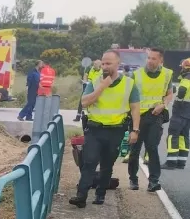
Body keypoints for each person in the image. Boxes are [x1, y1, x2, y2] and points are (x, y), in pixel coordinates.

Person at [70, 50, 141, 208]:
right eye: (103, 63)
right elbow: (85, 102)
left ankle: (100, 194)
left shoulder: (129, 84)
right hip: (95, 129)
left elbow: (135, 108)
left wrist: (135, 130)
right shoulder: (95, 81)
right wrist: (102, 87)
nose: (105, 66)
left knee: (107, 164)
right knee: (89, 162)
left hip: (116, 130)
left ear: (118, 64)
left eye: (108, 63)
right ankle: (81, 196)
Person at [128, 48, 173, 190]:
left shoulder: (167, 74)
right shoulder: (136, 74)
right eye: (149, 58)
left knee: (152, 148)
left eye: (154, 59)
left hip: (155, 115)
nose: (150, 61)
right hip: (138, 116)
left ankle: (153, 181)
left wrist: (163, 104)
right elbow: (129, 95)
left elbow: (169, 93)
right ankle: (133, 179)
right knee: (134, 150)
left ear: (161, 61)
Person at [166, 59, 190, 169]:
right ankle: (181, 162)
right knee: (184, 136)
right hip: (188, 112)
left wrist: (179, 99)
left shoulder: (187, 77)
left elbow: (182, 91)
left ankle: (171, 162)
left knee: (173, 135)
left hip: (181, 110)